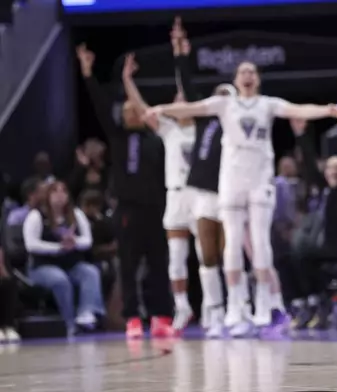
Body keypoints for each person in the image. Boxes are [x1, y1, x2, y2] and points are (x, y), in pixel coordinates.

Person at [144, 60, 337, 335]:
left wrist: (327, 110)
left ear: (258, 79)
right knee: (233, 245)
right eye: (243, 72)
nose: (247, 75)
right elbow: (190, 107)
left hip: (259, 181)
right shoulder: (225, 105)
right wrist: (162, 109)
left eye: (252, 72)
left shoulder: (267, 104)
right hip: (232, 181)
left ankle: (264, 308)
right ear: (236, 80)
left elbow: (297, 110)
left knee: (260, 244)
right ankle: (235, 309)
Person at [77, 44, 174, 339]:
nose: (132, 111)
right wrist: (87, 74)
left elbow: (145, 110)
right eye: (128, 109)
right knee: (129, 266)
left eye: (136, 109)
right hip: (128, 209)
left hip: (156, 208)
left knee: (159, 265)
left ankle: (162, 317)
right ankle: (133, 318)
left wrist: (129, 81)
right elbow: (98, 103)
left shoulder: (156, 136)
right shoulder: (117, 137)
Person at [122, 45, 197, 332]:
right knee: (175, 258)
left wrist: (182, 57)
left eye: (182, 98)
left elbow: (186, 85)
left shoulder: (206, 128)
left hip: (202, 196)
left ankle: (218, 310)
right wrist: (128, 81)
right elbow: (141, 109)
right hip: (175, 195)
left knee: (207, 255)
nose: (177, 101)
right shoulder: (169, 130)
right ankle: (182, 308)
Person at [171, 19, 235, 338]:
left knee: (231, 254)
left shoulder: (239, 125)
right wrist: (182, 54)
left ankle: (239, 309)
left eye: (228, 95)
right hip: (202, 192)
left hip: (230, 193)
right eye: (218, 95)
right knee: (206, 255)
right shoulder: (203, 121)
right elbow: (189, 85)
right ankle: (214, 311)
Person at [23, 181, 104, 336]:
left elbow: (87, 240)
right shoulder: (36, 215)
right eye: (55, 192)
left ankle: (86, 314)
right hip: (42, 266)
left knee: (90, 272)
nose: (60, 195)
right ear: (47, 195)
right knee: (60, 280)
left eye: (63, 191)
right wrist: (59, 247)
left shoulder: (76, 213)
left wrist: (74, 243)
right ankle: (70, 323)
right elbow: (31, 245)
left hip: (70, 264)